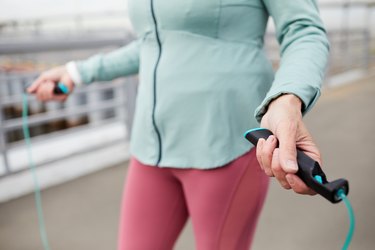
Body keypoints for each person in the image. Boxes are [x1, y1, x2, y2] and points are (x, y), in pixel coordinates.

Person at [27, 0, 329, 249]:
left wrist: (287, 98)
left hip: (224, 142)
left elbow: (303, 30)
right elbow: (154, 43)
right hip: (151, 146)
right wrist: (76, 73)